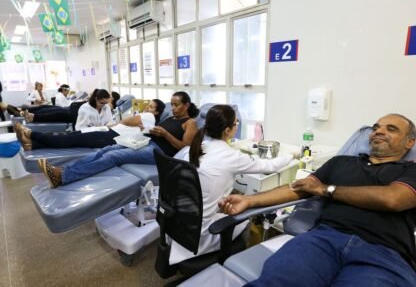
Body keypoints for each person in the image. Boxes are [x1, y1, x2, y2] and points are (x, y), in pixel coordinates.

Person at [219, 114, 416, 287]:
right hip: (322, 240)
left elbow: (393, 199)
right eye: (376, 127)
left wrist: (326, 189)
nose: (379, 131)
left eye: (391, 129)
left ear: (410, 142)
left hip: (383, 253)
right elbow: (299, 188)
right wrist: (250, 201)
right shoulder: (341, 162)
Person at [168, 105, 295, 265]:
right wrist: (291, 155)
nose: (237, 126)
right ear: (228, 130)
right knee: (247, 214)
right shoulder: (230, 156)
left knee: (231, 201)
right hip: (202, 233)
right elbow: (269, 166)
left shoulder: (193, 149)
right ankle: (233, 262)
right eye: (236, 123)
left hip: (179, 224)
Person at [37, 91, 199, 188]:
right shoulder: (171, 117)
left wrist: (165, 134)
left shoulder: (190, 123)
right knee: (106, 150)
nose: (173, 108)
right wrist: (150, 131)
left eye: (177, 105)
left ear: (186, 105)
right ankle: (63, 171)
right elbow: (160, 132)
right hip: (147, 142)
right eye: (172, 104)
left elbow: (185, 148)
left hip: (159, 153)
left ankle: (63, 178)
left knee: (113, 156)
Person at [14, 99, 165, 151]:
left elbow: (127, 121)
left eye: (151, 106)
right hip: (109, 132)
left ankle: (30, 134)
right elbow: (129, 122)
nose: (147, 108)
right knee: (72, 138)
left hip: (112, 137)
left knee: (68, 139)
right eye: (149, 106)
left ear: (157, 113)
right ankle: (32, 145)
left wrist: (123, 121)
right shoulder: (147, 118)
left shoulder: (150, 117)